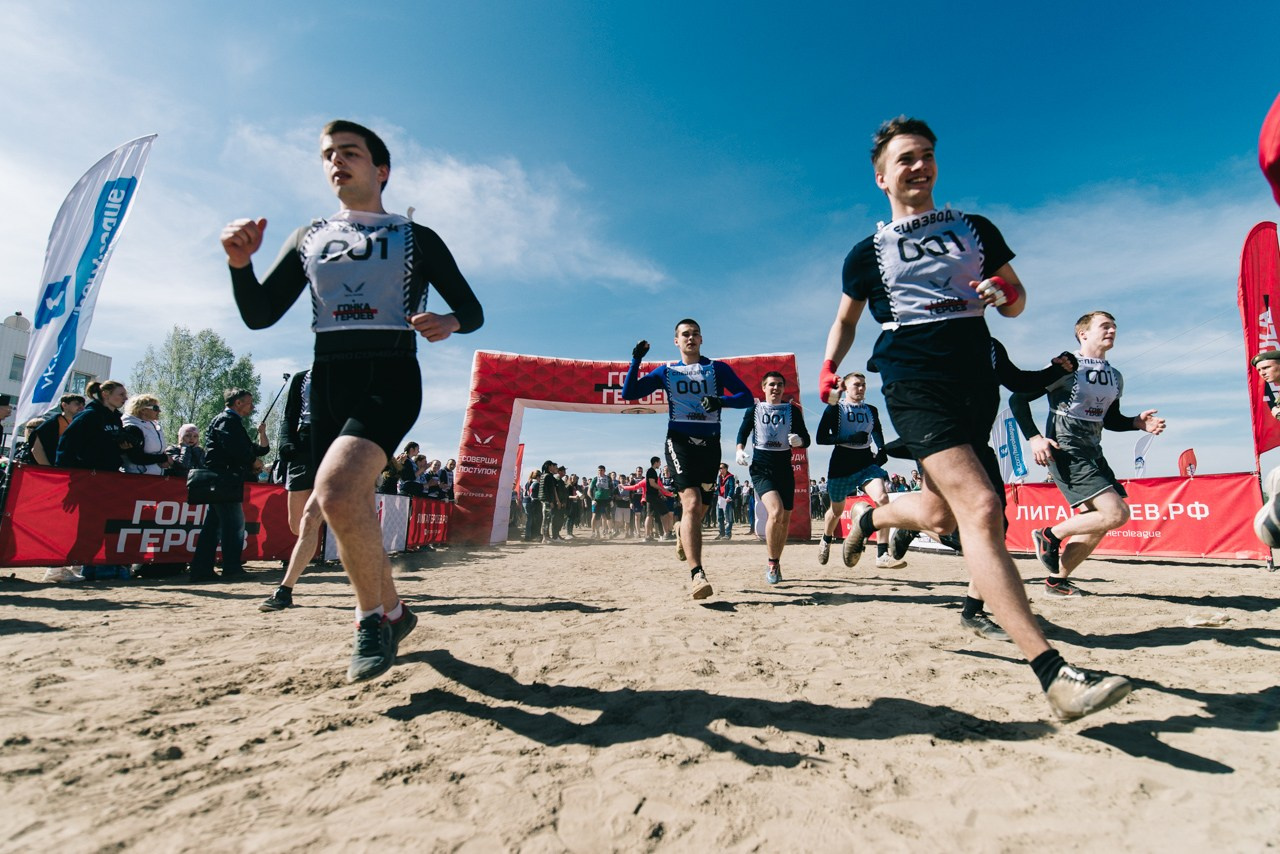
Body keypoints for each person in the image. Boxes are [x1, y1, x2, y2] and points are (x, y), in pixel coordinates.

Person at [819, 116, 1130, 721]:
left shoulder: (975, 229)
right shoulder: (866, 254)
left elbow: (1016, 301)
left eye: (928, 155)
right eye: (906, 158)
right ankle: (1053, 674)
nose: (920, 165)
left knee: (938, 513)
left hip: (974, 382)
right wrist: (830, 366)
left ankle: (870, 515)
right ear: (882, 177)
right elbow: (848, 320)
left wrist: (1000, 292)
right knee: (983, 510)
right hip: (912, 381)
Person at [222, 119, 483, 681]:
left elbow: (472, 308)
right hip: (328, 375)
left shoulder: (416, 237)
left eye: (351, 152)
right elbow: (260, 314)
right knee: (346, 503)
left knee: (336, 489)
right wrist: (239, 265)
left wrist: (449, 320)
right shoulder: (308, 237)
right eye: (327, 154)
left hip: (390, 371)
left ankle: (370, 620)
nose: (337, 161)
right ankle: (394, 610)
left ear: (380, 169)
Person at [1009, 311, 1165, 598]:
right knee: (1116, 513)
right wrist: (1034, 439)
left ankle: (1057, 581)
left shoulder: (1115, 376)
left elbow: (1111, 419)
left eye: (1114, 326)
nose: (1112, 330)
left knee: (1098, 522)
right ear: (1083, 333)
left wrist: (1136, 423)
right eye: (1104, 326)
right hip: (1064, 450)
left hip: (1094, 452)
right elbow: (1018, 398)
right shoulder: (1066, 365)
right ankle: (1048, 535)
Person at [622, 318, 752, 599]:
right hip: (679, 441)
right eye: (685, 334)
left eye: (694, 334)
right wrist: (635, 360)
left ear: (701, 339)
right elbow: (628, 393)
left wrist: (721, 401)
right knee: (690, 502)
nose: (690, 338)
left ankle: (681, 529)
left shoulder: (716, 369)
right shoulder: (667, 371)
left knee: (699, 511)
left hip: (710, 444)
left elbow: (747, 397)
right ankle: (698, 574)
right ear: (676, 341)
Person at [814, 372, 896, 568]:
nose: (861, 388)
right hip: (841, 463)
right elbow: (821, 438)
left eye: (864, 385)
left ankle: (882, 553)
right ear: (846, 388)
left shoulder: (871, 410)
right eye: (856, 385)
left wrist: (882, 448)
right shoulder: (835, 409)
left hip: (866, 462)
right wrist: (848, 439)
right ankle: (826, 539)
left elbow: (876, 429)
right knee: (836, 511)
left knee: (883, 499)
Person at [734, 371, 810, 584]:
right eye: (771, 385)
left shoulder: (792, 411)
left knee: (784, 519)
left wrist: (800, 441)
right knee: (775, 512)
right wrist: (739, 450)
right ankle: (771, 563)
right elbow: (742, 432)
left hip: (784, 469)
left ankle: (776, 561)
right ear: (764, 388)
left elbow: (807, 439)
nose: (775, 388)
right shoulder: (755, 409)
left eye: (779, 385)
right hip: (761, 469)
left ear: (784, 389)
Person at [189, 389, 269, 583]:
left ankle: (202, 568)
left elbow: (255, 449)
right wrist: (252, 461)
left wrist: (261, 437)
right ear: (238, 403)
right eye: (250, 403)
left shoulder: (229, 421)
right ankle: (231, 567)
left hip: (224, 478)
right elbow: (235, 448)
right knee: (234, 524)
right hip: (225, 478)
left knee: (213, 525)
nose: (253, 407)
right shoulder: (228, 420)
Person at [261, 370, 323, 612]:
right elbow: (290, 416)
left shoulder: (353, 372)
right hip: (304, 444)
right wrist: (286, 441)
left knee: (309, 521)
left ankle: (284, 590)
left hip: (336, 444)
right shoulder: (302, 377)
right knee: (295, 524)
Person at [30, 393, 85, 466]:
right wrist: (50, 470)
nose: (81, 407)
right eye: (77, 404)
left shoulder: (84, 424)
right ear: (64, 405)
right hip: (56, 470)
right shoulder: (51, 424)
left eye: (83, 405)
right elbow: (36, 450)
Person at [713, 463, 736, 540]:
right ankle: (721, 533)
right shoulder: (719, 477)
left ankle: (728, 534)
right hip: (720, 499)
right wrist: (716, 490)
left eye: (721, 468)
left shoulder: (730, 477)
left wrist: (729, 496)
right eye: (719, 468)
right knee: (719, 517)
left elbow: (732, 488)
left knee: (728, 518)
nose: (720, 470)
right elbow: (719, 487)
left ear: (726, 468)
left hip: (727, 500)